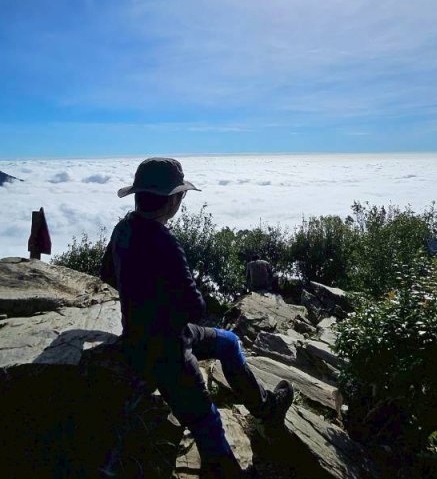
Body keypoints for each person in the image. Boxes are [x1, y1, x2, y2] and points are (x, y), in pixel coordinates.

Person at [100, 157, 294, 478]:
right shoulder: (164, 242)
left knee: (229, 341)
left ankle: (265, 408)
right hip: (166, 348)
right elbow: (194, 308)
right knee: (206, 417)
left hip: (142, 333)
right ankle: (224, 470)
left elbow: (107, 275)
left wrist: (143, 299)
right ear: (173, 200)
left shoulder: (123, 229)